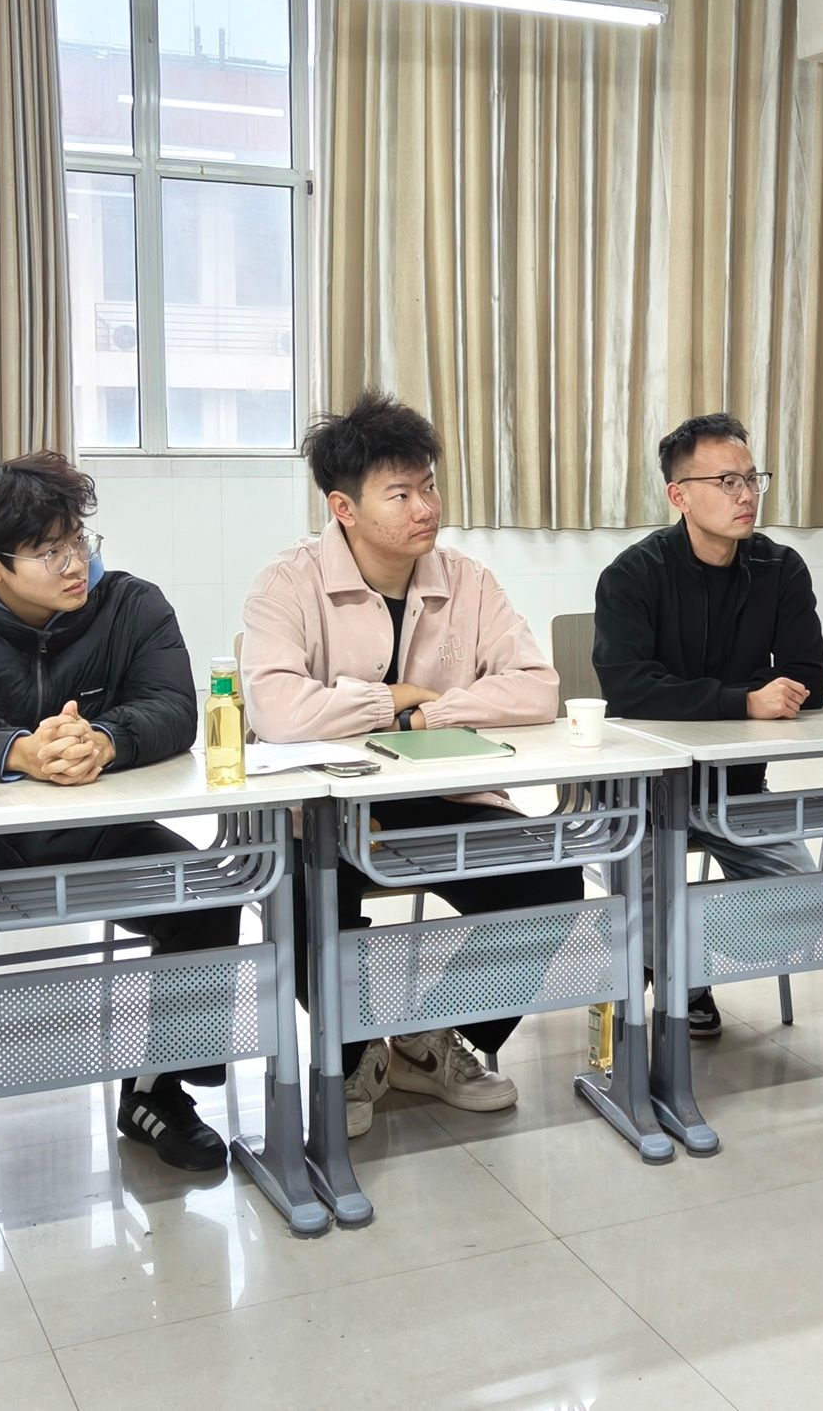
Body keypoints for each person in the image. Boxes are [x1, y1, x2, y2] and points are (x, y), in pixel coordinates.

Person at [0, 454, 235, 1228]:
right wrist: (17, 750)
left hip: (102, 834)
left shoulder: (130, 602)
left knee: (210, 894)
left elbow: (172, 708)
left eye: (78, 540)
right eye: (49, 552)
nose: (75, 563)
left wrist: (106, 741)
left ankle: (157, 1091)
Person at [242, 391, 582, 1138]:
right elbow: (277, 712)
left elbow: (538, 686)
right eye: (400, 494)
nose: (426, 508)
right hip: (321, 813)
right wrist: (387, 700)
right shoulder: (288, 582)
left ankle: (434, 1039)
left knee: (550, 881)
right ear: (343, 508)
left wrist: (433, 714)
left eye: (429, 486)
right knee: (307, 895)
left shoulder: (468, 579)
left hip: (446, 798)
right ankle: (353, 1054)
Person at [592, 414, 823, 1038]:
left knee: (808, 906)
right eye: (727, 482)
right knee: (644, 905)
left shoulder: (780, 568)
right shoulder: (632, 575)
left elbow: (810, 675)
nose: (746, 495)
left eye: (752, 479)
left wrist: (756, 697)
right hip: (639, 797)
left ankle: (679, 958)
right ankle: (679, 979)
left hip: (734, 786)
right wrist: (744, 700)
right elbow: (629, 688)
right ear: (679, 495)